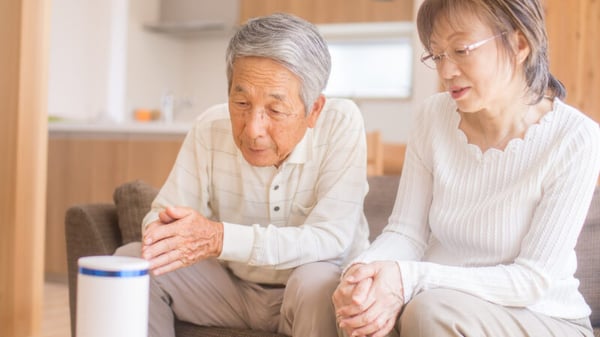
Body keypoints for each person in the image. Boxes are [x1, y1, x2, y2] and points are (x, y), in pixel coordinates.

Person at [332, 0, 600, 336]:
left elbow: (532, 280)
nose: (446, 72)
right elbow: (405, 233)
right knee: (358, 304)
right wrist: (363, 274)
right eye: (437, 55)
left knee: (429, 312)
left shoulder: (575, 138)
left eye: (461, 49)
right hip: (440, 302)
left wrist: (409, 277)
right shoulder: (432, 117)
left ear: (519, 45)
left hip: (542, 316)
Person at [116, 13, 370, 337]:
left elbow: (332, 239)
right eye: (241, 102)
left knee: (316, 283)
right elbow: (159, 218)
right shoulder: (210, 127)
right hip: (231, 290)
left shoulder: (341, 122)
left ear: (314, 110)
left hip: (307, 291)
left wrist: (219, 237)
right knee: (132, 261)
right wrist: (167, 232)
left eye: (275, 110)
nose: (253, 130)